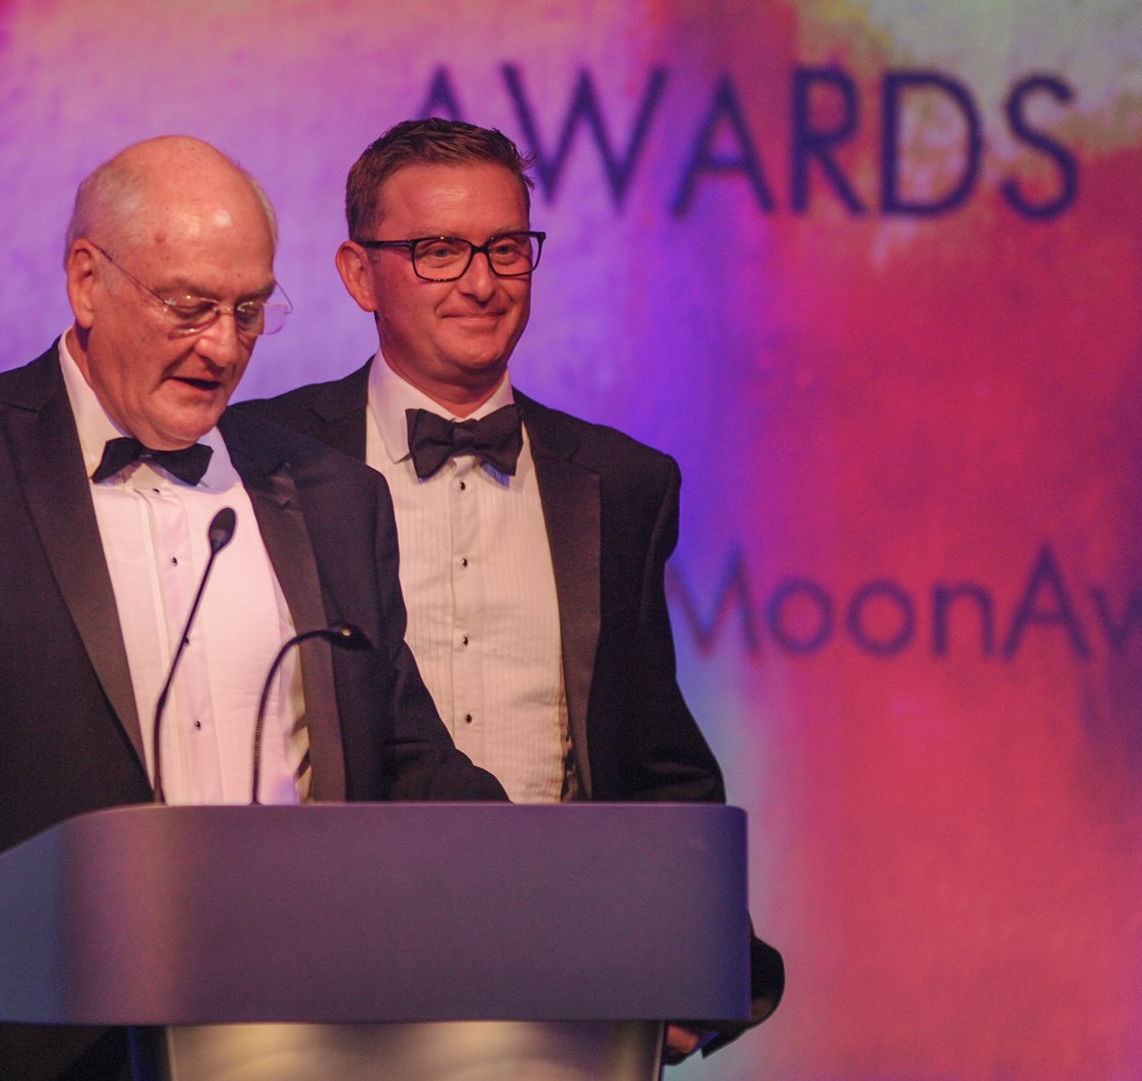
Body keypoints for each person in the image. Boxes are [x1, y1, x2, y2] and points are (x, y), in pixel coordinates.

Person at [0, 135, 504, 1081]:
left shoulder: (332, 495)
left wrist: (559, 886)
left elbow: (405, 759)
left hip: (288, 1043)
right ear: (87, 281)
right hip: (6, 1047)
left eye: (248, 311)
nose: (224, 347)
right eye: (189, 307)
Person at [237, 118, 784, 1063]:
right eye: (439, 250)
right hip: (323, 988)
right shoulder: (259, 460)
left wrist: (696, 967)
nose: (482, 282)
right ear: (360, 274)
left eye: (504, 248)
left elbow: (653, 753)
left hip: (561, 992)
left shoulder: (621, 482)